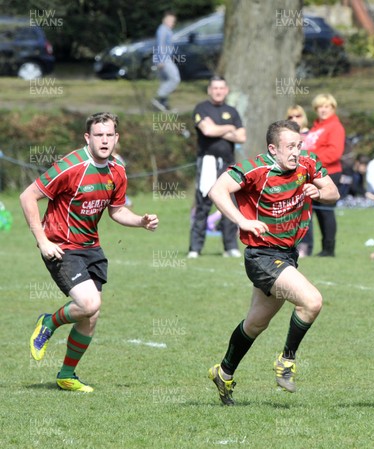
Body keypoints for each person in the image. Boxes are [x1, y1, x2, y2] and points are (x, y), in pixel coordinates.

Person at [21, 112, 159, 392]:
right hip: (61, 247)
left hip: (91, 248)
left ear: (116, 138)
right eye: (99, 135)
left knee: (90, 316)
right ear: (88, 138)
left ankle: (66, 375)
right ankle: (48, 321)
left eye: (109, 135)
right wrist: (42, 240)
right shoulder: (72, 166)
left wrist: (140, 222)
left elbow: (117, 211)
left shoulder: (117, 170)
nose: (104, 140)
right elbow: (27, 196)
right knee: (89, 304)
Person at [206, 120, 339, 405]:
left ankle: (224, 372)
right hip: (262, 256)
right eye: (290, 147)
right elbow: (217, 190)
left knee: (255, 324)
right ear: (272, 149)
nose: (296, 152)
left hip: (287, 253)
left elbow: (333, 192)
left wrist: (319, 192)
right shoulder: (255, 169)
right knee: (312, 302)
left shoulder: (307, 164)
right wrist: (243, 220)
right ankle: (286, 361)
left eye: (299, 145)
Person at [188, 76, 246, 258]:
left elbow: (242, 136)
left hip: (228, 163)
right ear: (209, 90)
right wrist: (229, 129)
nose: (218, 91)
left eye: (221, 88)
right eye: (215, 88)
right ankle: (195, 249)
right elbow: (207, 130)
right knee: (203, 203)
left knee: (229, 203)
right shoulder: (201, 108)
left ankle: (230, 247)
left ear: (226, 90)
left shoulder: (232, 111)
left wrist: (219, 128)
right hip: (207, 162)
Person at [303, 93, 346, 257]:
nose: (323, 110)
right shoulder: (315, 128)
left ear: (333, 108)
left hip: (329, 173)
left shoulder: (335, 127)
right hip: (312, 174)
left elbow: (334, 153)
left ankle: (329, 249)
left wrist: (310, 157)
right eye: (320, 107)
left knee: (325, 211)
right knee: (309, 211)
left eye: (326, 106)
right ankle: (307, 247)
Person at [286, 105, 312, 256]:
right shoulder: (285, 137)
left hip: (307, 177)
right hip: (291, 178)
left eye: (298, 116)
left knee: (305, 213)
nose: (294, 119)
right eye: (291, 117)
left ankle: (305, 246)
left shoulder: (312, 135)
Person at [151, 11, 181, 112]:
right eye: (170, 20)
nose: (172, 23)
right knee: (175, 78)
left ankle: (164, 104)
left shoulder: (166, 30)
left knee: (165, 80)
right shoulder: (163, 30)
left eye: (173, 21)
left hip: (164, 58)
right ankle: (159, 97)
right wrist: (161, 60)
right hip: (164, 59)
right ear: (164, 20)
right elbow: (160, 45)